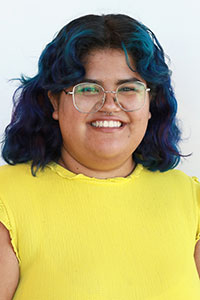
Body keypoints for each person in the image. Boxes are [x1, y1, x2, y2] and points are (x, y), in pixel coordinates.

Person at [0, 13, 200, 300]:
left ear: (151, 102)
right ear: (55, 101)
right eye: (88, 89)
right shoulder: (5, 198)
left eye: (128, 88)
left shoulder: (191, 200)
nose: (110, 105)